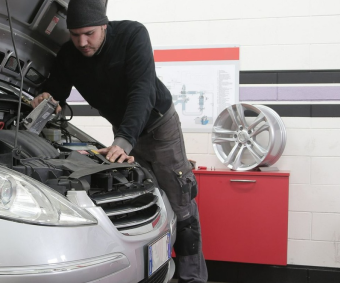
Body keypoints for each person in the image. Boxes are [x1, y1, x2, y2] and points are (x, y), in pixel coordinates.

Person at [30, 0, 208, 282]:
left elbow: (142, 91)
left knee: (180, 199)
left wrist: (124, 141)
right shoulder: (69, 54)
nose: (82, 42)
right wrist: (48, 97)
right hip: (123, 131)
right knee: (143, 197)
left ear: (104, 24)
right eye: (75, 35)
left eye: (89, 33)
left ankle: (192, 277)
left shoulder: (132, 35)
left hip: (158, 126)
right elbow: (57, 91)